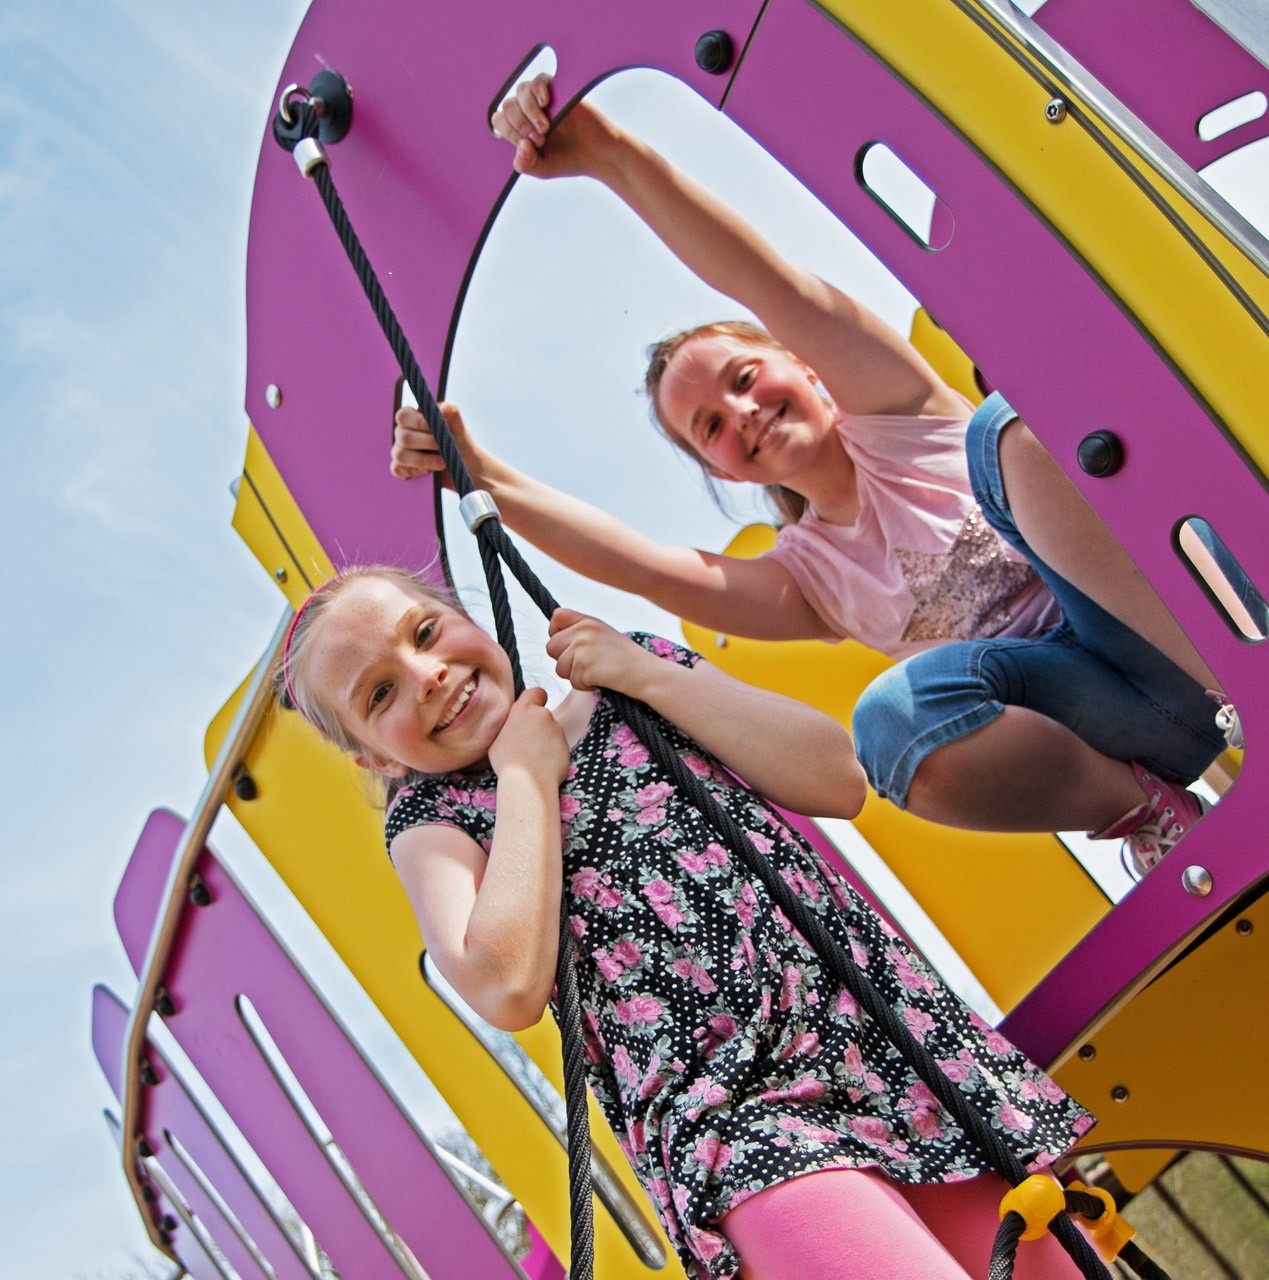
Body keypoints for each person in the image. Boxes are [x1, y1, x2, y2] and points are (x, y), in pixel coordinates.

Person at [391, 75, 1229, 873]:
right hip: (1104, 723)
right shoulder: (807, 584)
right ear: (717, 468)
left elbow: (768, 283)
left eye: (744, 378)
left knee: (1004, 432)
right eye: (710, 427)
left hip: (1171, 631)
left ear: (803, 364)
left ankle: (1236, 663)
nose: (741, 412)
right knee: (888, 724)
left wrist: (612, 154)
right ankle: (1145, 812)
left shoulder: (902, 415)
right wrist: (477, 473)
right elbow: (637, 565)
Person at [278, 563, 1096, 1279]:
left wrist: (649, 673)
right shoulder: (432, 820)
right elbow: (502, 986)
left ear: (461, 615)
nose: (424, 674)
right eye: (379, 694)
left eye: (424, 632)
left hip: (875, 1036)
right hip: (730, 1117)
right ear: (372, 757)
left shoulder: (629, 687)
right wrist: (523, 776)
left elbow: (834, 778)